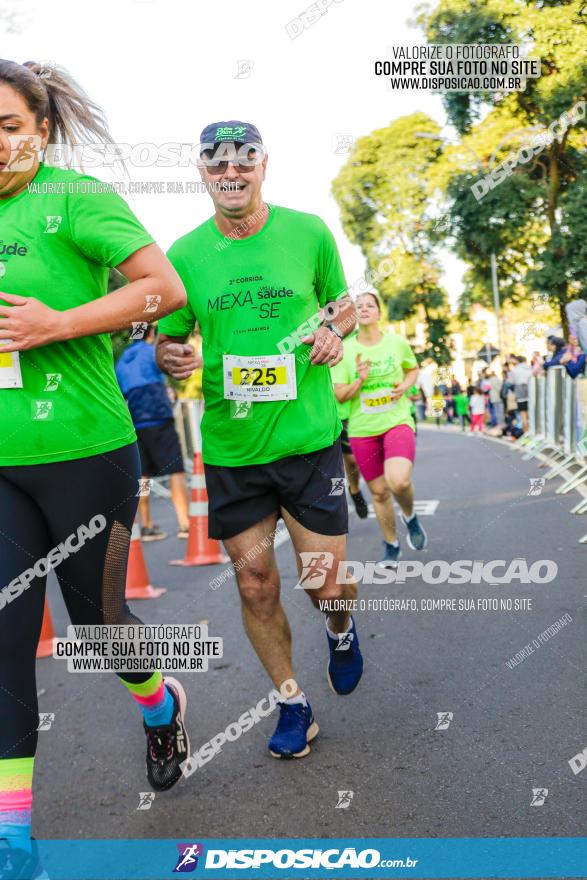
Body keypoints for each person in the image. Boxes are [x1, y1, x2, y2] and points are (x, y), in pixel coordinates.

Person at [0, 60, 191, 868]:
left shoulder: (75, 200)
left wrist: (59, 322)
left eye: (8, 128)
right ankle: (13, 836)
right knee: (4, 641)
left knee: (99, 628)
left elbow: (165, 288)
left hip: (86, 453)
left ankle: (160, 702)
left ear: (40, 130)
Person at [156, 120, 363, 760]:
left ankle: (341, 627)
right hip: (232, 450)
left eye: (242, 162)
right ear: (202, 173)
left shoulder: (307, 231)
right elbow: (169, 335)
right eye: (217, 166)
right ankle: (293, 703)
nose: (230, 174)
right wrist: (172, 355)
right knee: (255, 587)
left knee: (325, 582)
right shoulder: (184, 254)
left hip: (307, 441)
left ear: (263, 166)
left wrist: (334, 332)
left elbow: (345, 304)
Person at [332, 291, 427, 567]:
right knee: (380, 493)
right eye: (358, 306)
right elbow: (340, 395)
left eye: (369, 305)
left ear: (378, 312)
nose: (363, 309)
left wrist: (406, 385)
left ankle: (409, 516)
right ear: (353, 315)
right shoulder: (346, 350)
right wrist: (360, 380)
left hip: (396, 422)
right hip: (363, 430)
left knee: (398, 481)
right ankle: (391, 544)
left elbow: (412, 369)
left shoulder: (397, 343)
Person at [115, 324, 190, 540]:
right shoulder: (153, 353)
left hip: (135, 422)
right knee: (175, 469)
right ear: (150, 334)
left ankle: (146, 525)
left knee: (143, 476)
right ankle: (185, 523)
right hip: (158, 417)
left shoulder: (122, 361)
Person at [508, 355, 532, 433]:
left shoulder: (514, 370)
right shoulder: (529, 368)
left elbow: (511, 382)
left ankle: (526, 433)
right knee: (530, 414)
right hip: (531, 389)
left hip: (520, 390)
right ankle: (531, 432)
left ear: (517, 361)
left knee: (523, 415)